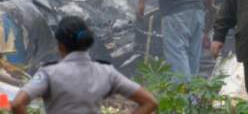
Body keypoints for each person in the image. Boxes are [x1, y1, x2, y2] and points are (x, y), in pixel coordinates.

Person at [11, 16, 158, 114]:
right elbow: (149, 101)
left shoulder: (48, 73)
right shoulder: (107, 72)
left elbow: (17, 103)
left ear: (60, 45)